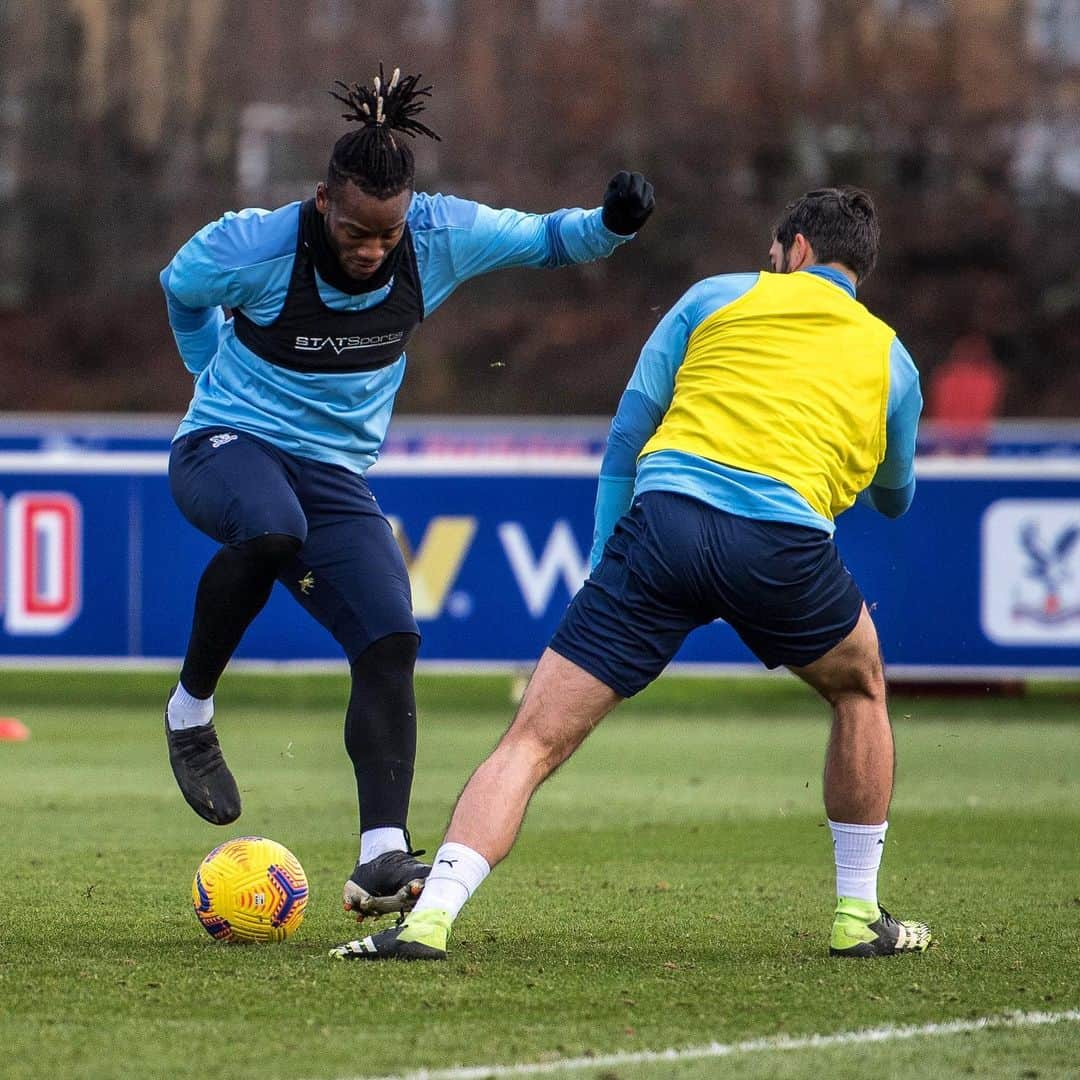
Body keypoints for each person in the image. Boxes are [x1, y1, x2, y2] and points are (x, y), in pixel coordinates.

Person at [332, 186, 931, 962]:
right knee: (860, 688)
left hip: (665, 527)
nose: (768, 266)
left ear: (798, 250)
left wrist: (602, 564)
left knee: (534, 738)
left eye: (774, 256)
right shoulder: (894, 360)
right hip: (784, 545)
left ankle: (428, 920)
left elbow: (627, 436)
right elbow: (896, 497)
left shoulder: (716, 295)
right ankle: (857, 917)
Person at [159, 66, 655, 920]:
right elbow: (181, 288)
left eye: (385, 238)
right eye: (355, 232)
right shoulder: (253, 246)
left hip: (333, 474)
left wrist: (613, 223)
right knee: (271, 526)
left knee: (392, 635)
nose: (371, 250)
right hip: (223, 447)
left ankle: (380, 858)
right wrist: (207, 372)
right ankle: (191, 709)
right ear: (322, 202)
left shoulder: (439, 235)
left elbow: (548, 239)